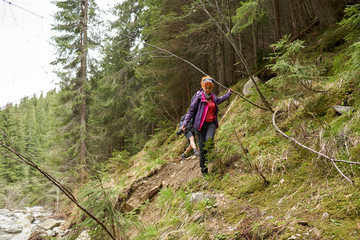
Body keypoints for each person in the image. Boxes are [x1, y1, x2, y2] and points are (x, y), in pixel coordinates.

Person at [182, 76, 232, 176]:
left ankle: (212, 158)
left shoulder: (213, 97)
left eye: (210, 88)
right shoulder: (198, 97)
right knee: (202, 149)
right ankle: (204, 171)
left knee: (209, 140)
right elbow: (191, 111)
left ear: (212, 88)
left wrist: (229, 93)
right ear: (203, 87)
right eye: (206, 88)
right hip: (200, 126)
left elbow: (220, 100)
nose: (208, 90)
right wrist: (185, 123)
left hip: (211, 123)